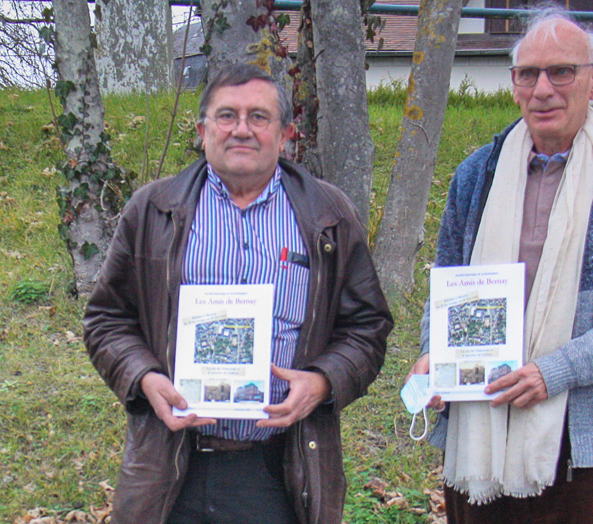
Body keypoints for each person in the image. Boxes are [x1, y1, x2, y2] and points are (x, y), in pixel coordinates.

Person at [408, 6, 593, 524]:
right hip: (482, 429)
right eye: (527, 74)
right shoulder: (477, 175)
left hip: (587, 446)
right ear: (514, 84)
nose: (543, 89)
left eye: (561, 71)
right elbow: (445, 287)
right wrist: (433, 352)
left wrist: (555, 372)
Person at [84, 63, 393, 524]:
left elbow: (367, 327)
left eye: (259, 117)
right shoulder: (152, 210)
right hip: (169, 462)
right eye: (226, 116)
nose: (241, 130)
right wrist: (145, 378)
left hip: (279, 464)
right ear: (202, 130)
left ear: (286, 134)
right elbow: (106, 319)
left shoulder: (328, 214)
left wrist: (323, 381)